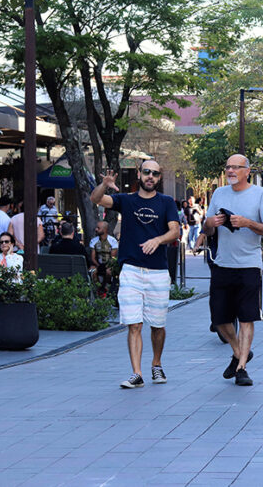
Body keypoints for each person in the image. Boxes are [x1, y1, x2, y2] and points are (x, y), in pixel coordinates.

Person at [90, 161, 180, 389]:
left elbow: (175, 230)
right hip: (130, 270)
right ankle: (137, 373)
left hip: (158, 272)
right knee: (134, 324)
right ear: (139, 174)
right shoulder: (127, 200)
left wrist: (158, 240)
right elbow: (96, 199)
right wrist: (104, 184)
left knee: (158, 325)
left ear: (160, 177)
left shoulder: (167, 202)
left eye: (155, 173)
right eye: (146, 172)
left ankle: (156, 364)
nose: (150, 176)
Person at [203, 154, 263, 387]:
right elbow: (207, 227)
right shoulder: (218, 193)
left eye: (236, 167)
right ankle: (238, 352)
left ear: (248, 171)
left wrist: (247, 223)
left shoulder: (260, 194)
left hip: (249, 266)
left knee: (246, 317)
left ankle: (242, 368)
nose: (231, 171)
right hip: (223, 264)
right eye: (228, 167)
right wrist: (210, 224)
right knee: (219, 318)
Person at [88, 221, 119, 291]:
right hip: (97, 264)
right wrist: (98, 265)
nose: (96, 229)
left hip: (110, 265)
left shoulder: (113, 241)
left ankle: (106, 288)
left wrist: (107, 266)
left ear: (105, 230)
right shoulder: (93, 241)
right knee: (92, 271)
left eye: (98, 228)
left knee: (109, 271)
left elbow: (112, 258)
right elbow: (93, 258)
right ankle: (98, 289)